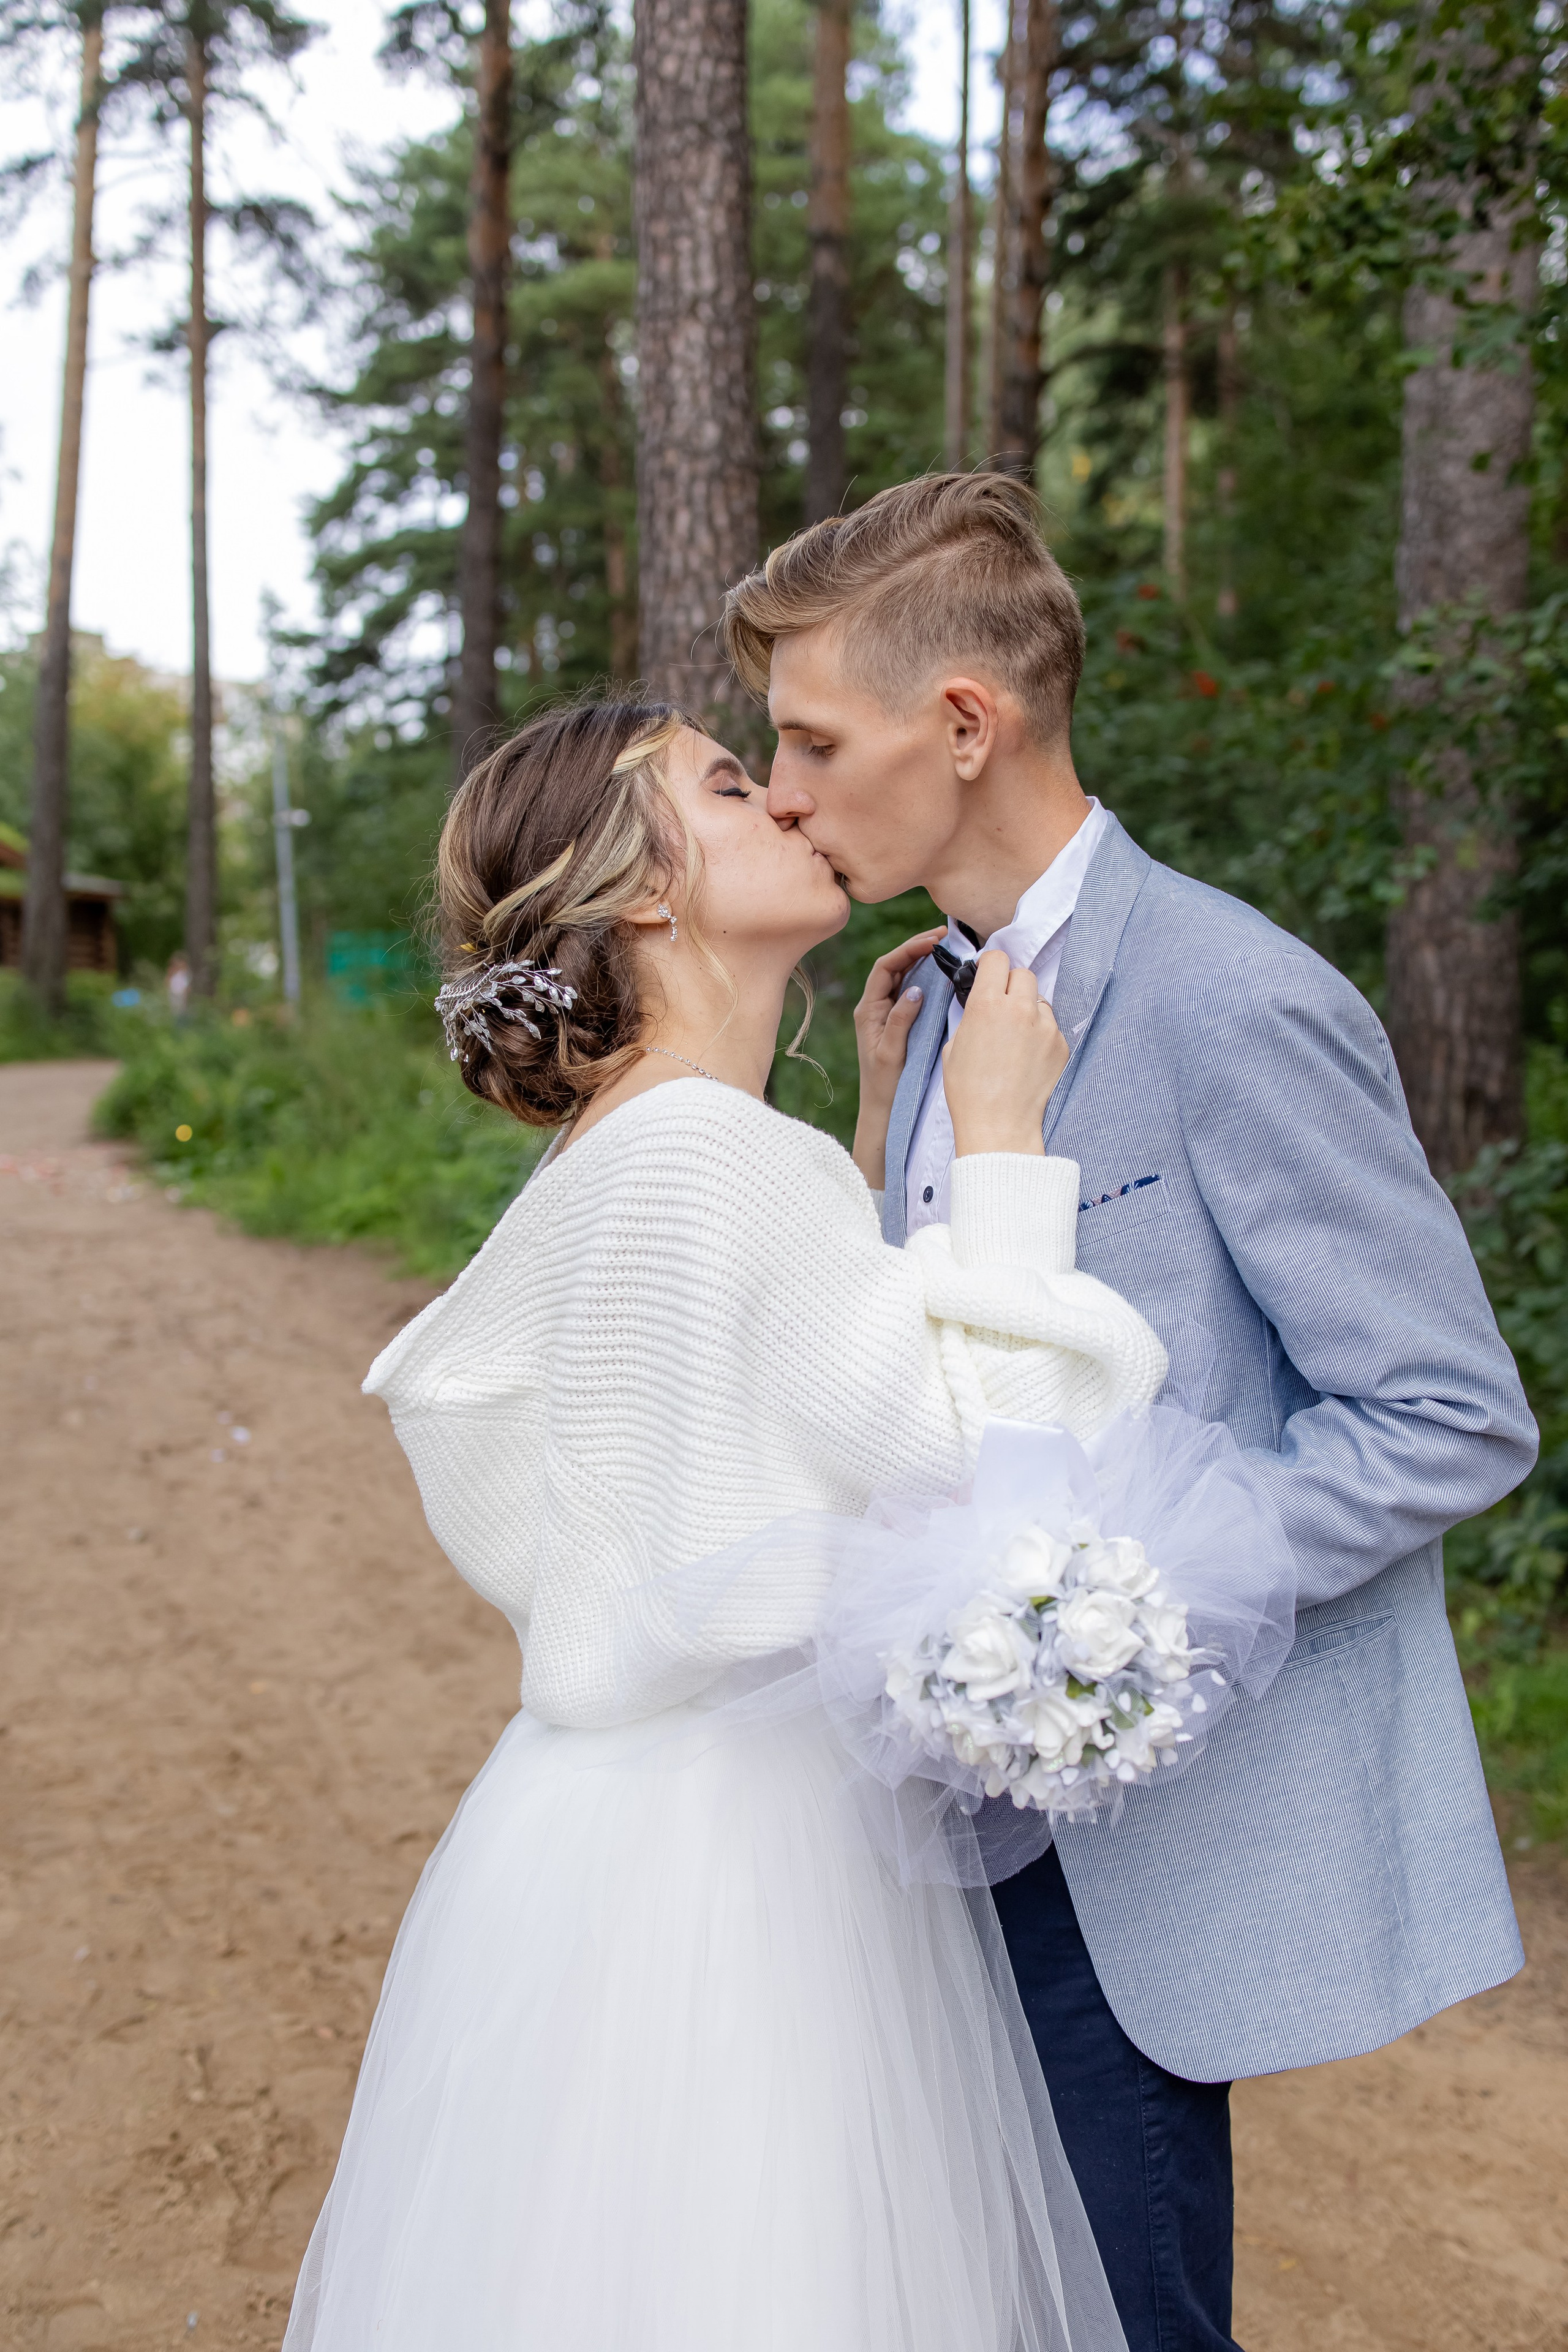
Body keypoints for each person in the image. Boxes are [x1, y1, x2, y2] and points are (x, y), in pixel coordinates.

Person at [722, 470, 1539, 2352]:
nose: (778, 789)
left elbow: (1444, 1411)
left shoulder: (1234, 1002)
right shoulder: (925, 1006)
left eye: (809, 739)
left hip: (1125, 1833)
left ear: (962, 725)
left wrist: (1114, 1611)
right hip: (920, 1828)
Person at [282, 699, 1171, 2352]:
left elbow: (752, 1408)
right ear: (638, 890)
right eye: (727, 783)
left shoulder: (635, 1154)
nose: (785, 804)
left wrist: (845, 1158)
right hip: (749, 1867)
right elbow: (991, 1476)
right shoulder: (711, 1158)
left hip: (591, 1841)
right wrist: (996, 1147)